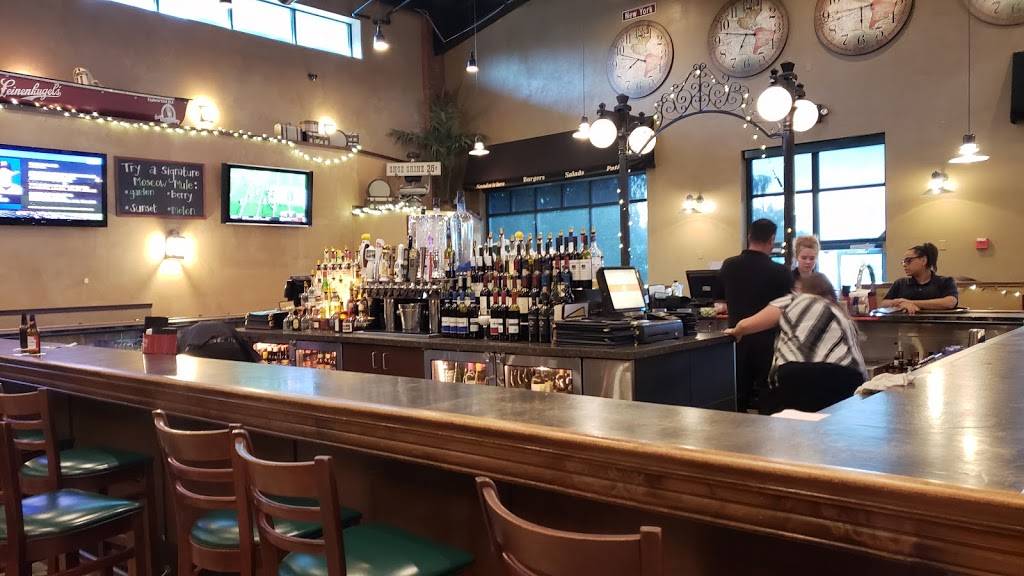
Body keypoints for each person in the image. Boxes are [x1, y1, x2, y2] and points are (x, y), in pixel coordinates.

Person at [725, 273, 867, 413]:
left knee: (790, 415)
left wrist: (736, 331)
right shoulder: (840, 312)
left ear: (801, 288)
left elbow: (746, 325)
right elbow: (857, 358)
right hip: (845, 376)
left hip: (796, 374)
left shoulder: (793, 300)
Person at [714, 219, 793, 413]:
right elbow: (788, 306)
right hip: (768, 342)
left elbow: (720, 300)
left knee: (738, 395)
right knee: (768, 395)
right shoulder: (780, 272)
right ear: (772, 239)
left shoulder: (729, 265)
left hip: (737, 339)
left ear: (749, 236)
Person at [879, 242, 958, 314]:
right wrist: (899, 303)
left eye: (908, 260)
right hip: (905, 324)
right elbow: (883, 304)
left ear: (923, 260)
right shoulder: (900, 283)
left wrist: (910, 303)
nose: (904, 265)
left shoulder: (945, 281)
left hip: (936, 324)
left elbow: (950, 302)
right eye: (903, 262)